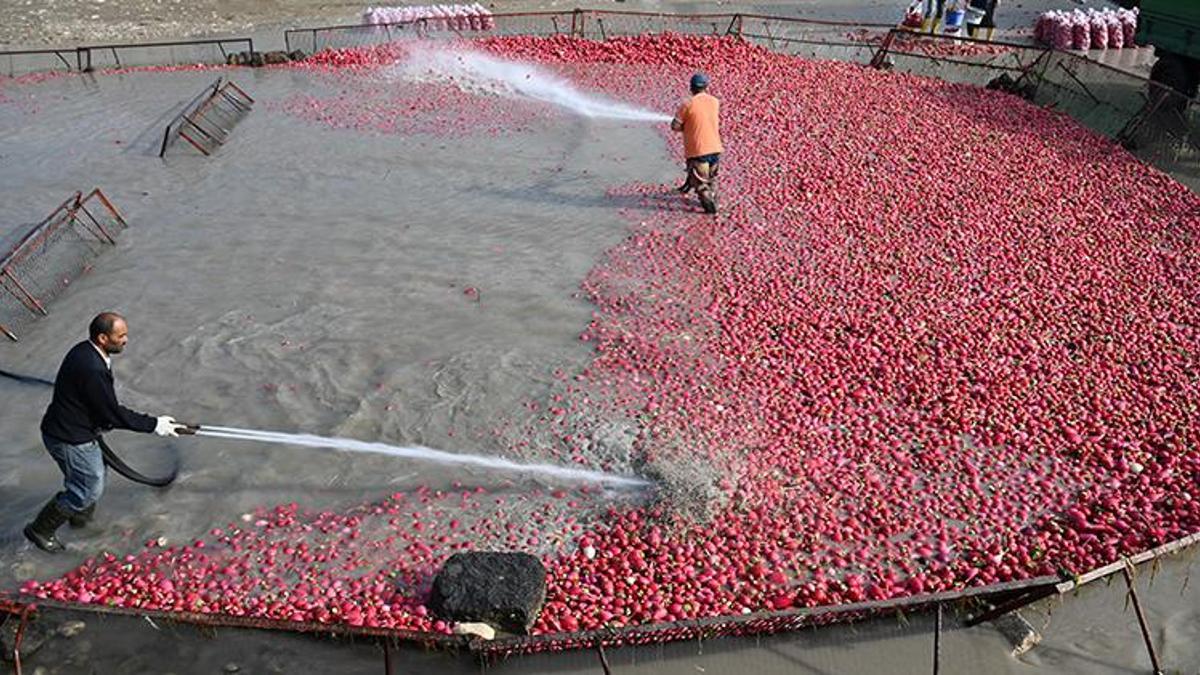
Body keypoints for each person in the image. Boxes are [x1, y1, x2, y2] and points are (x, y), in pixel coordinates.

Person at [24, 312, 184, 553]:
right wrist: (155, 424)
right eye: (120, 336)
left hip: (71, 429)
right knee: (88, 487)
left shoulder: (85, 351)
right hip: (70, 438)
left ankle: (79, 519)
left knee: (90, 478)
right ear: (102, 338)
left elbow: (101, 408)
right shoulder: (92, 368)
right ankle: (40, 530)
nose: (126, 340)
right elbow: (112, 413)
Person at [671, 72, 723, 215]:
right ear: (706, 87)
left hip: (698, 150)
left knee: (701, 185)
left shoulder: (687, 104)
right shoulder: (715, 101)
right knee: (711, 179)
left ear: (691, 88)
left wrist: (685, 126)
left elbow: (675, 126)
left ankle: (710, 210)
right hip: (715, 148)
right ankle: (710, 196)